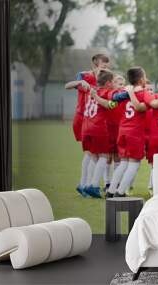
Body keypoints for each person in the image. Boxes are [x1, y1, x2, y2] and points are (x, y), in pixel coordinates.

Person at [64, 54, 110, 197]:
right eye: (103, 66)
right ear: (95, 66)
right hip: (86, 118)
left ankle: (85, 184)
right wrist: (79, 83)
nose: (105, 69)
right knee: (93, 153)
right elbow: (68, 85)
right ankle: (88, 184)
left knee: (91, 153)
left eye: (107, 66)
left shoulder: (103, 80)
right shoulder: (85, 76)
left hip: (91, 119)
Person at [106, 67, 149, 198]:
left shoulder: (123, 93)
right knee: (134, 164)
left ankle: (111, 190)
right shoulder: (143, 94)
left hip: (123, 130)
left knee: (123, 162)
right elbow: (141, 107)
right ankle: (120, 192)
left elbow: (113, 99)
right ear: (141, 80)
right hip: (134, 133)